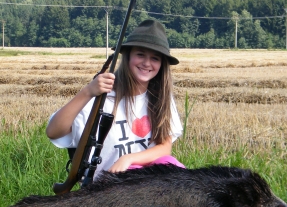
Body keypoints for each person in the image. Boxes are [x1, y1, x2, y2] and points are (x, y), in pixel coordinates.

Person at [46, 19, 185, 179]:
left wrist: (128, 159)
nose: (147, 63)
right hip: (109, 187)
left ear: (162, 65)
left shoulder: (161, 99)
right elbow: (53, 132)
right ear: (127, 57)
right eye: (140, 54)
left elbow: (164, 148)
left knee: (171, 163)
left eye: (155, 58)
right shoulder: (101, 97)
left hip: (146, 183)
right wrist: (87, 92)